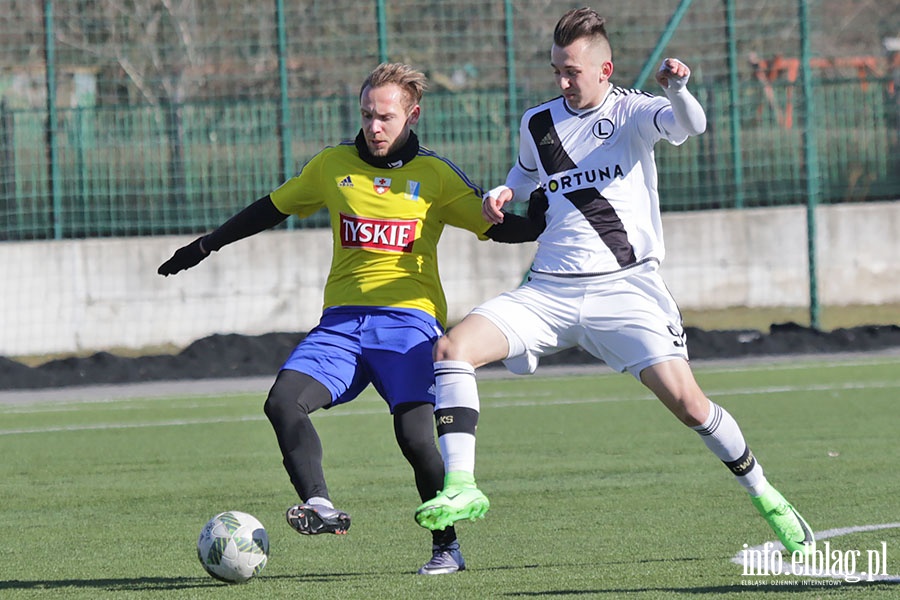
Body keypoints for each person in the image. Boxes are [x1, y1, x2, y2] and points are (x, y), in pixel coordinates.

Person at [414, 7, 815, 557]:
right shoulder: (538, 121)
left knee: (690, 405)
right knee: (452, 349)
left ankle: (766, 494)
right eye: (556, 68)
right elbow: (526, 174)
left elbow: (690, 126)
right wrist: (504, 193)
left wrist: (677, 90)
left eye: (571, 71)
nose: (561, 80)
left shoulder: (633, 112)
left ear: (604, 70)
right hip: (549, 290)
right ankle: (461, 486)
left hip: (625, 290)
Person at [158, 62, 541, 575]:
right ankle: (318, 504)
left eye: (384, 117)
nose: (373, 127)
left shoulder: (436, 176)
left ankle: (445, 547)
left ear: (412, 115)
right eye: (366, 115)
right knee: (282, 402)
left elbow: (498, 228)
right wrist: (206, 244)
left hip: (408, 324)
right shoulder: (332, 165)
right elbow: (272, 208)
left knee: (415, 439)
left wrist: (545, 216)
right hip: (340, 326)